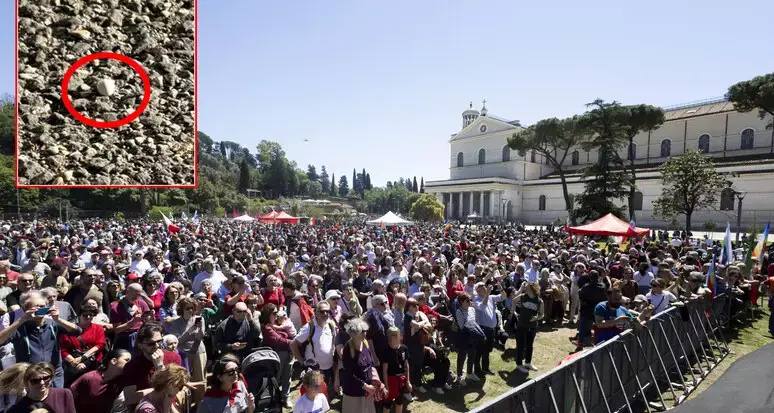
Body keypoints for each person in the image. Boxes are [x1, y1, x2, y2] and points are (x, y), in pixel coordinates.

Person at [0, 291, 82, 388]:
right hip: (30, 375)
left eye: (43, 306)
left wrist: (58, 319)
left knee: (54, 401)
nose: (40, 309)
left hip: (54, 373)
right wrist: (22, 320)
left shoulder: (52, 324)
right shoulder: (20, 327)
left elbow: (77, 331)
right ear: (25, 309)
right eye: (35, 307)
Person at [121, 322, 183, 409]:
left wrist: (160, 366)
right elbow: (130, 398)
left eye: (159, 341)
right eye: (151, 343)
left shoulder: (174, 357)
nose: (157, 346)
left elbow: (176, 389)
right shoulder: (132, 366)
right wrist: (163, 390)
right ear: (140, 345)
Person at [69, 348, 132, 413]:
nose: (130, 363)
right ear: (114, 361)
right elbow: (69, 398)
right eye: (127, 360)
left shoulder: (120, 381)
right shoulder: (90, 378)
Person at [60, 305, 106, 386]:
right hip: (72, 365)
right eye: (85, 315)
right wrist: (74, 362)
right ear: (79, 315)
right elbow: (63, 350)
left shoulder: (98, 328)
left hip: (92, 363)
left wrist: (83, 358)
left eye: (91, 315)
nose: (88, 317)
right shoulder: (70, 329)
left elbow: (100, 345)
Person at [7, 363, 76, 413]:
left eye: (46, 378)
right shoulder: (16, 409)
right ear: (26, 383)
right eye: (35, 380)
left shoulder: (64, 394)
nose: (42, 383)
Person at [340, 318, 377, 413]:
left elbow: (371, 365)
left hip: (367, 392)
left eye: (365, 331)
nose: (365, 333)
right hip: (353, 393)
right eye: (361, 332)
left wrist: (376, 381)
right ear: (353, 334)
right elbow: (349, 374)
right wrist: (365, 386)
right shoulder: (348, 350)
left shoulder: (365, 344)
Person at [512, 282, 543, 373]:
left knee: (530, 346)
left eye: (527, 288)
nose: (525, 289)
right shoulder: (523, 296)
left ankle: (528, 363)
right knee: (521, 346)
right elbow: (514, 301)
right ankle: (519, 364)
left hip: (532, 327)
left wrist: (536, 318)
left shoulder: (539, 301)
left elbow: (542, 314)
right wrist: (513, 312)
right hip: (522, 325)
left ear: (532, 289)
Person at [380, 327, 411, 413]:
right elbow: (385, 370)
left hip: (401, 379)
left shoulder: (404, 348)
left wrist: (408, 381)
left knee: (399, 401)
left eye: (397, 336)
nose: (396, 338)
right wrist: (386, 385)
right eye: (392, 336)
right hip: (391, 380)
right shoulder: (386, 351)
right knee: (387, 403)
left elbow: (406, 365)